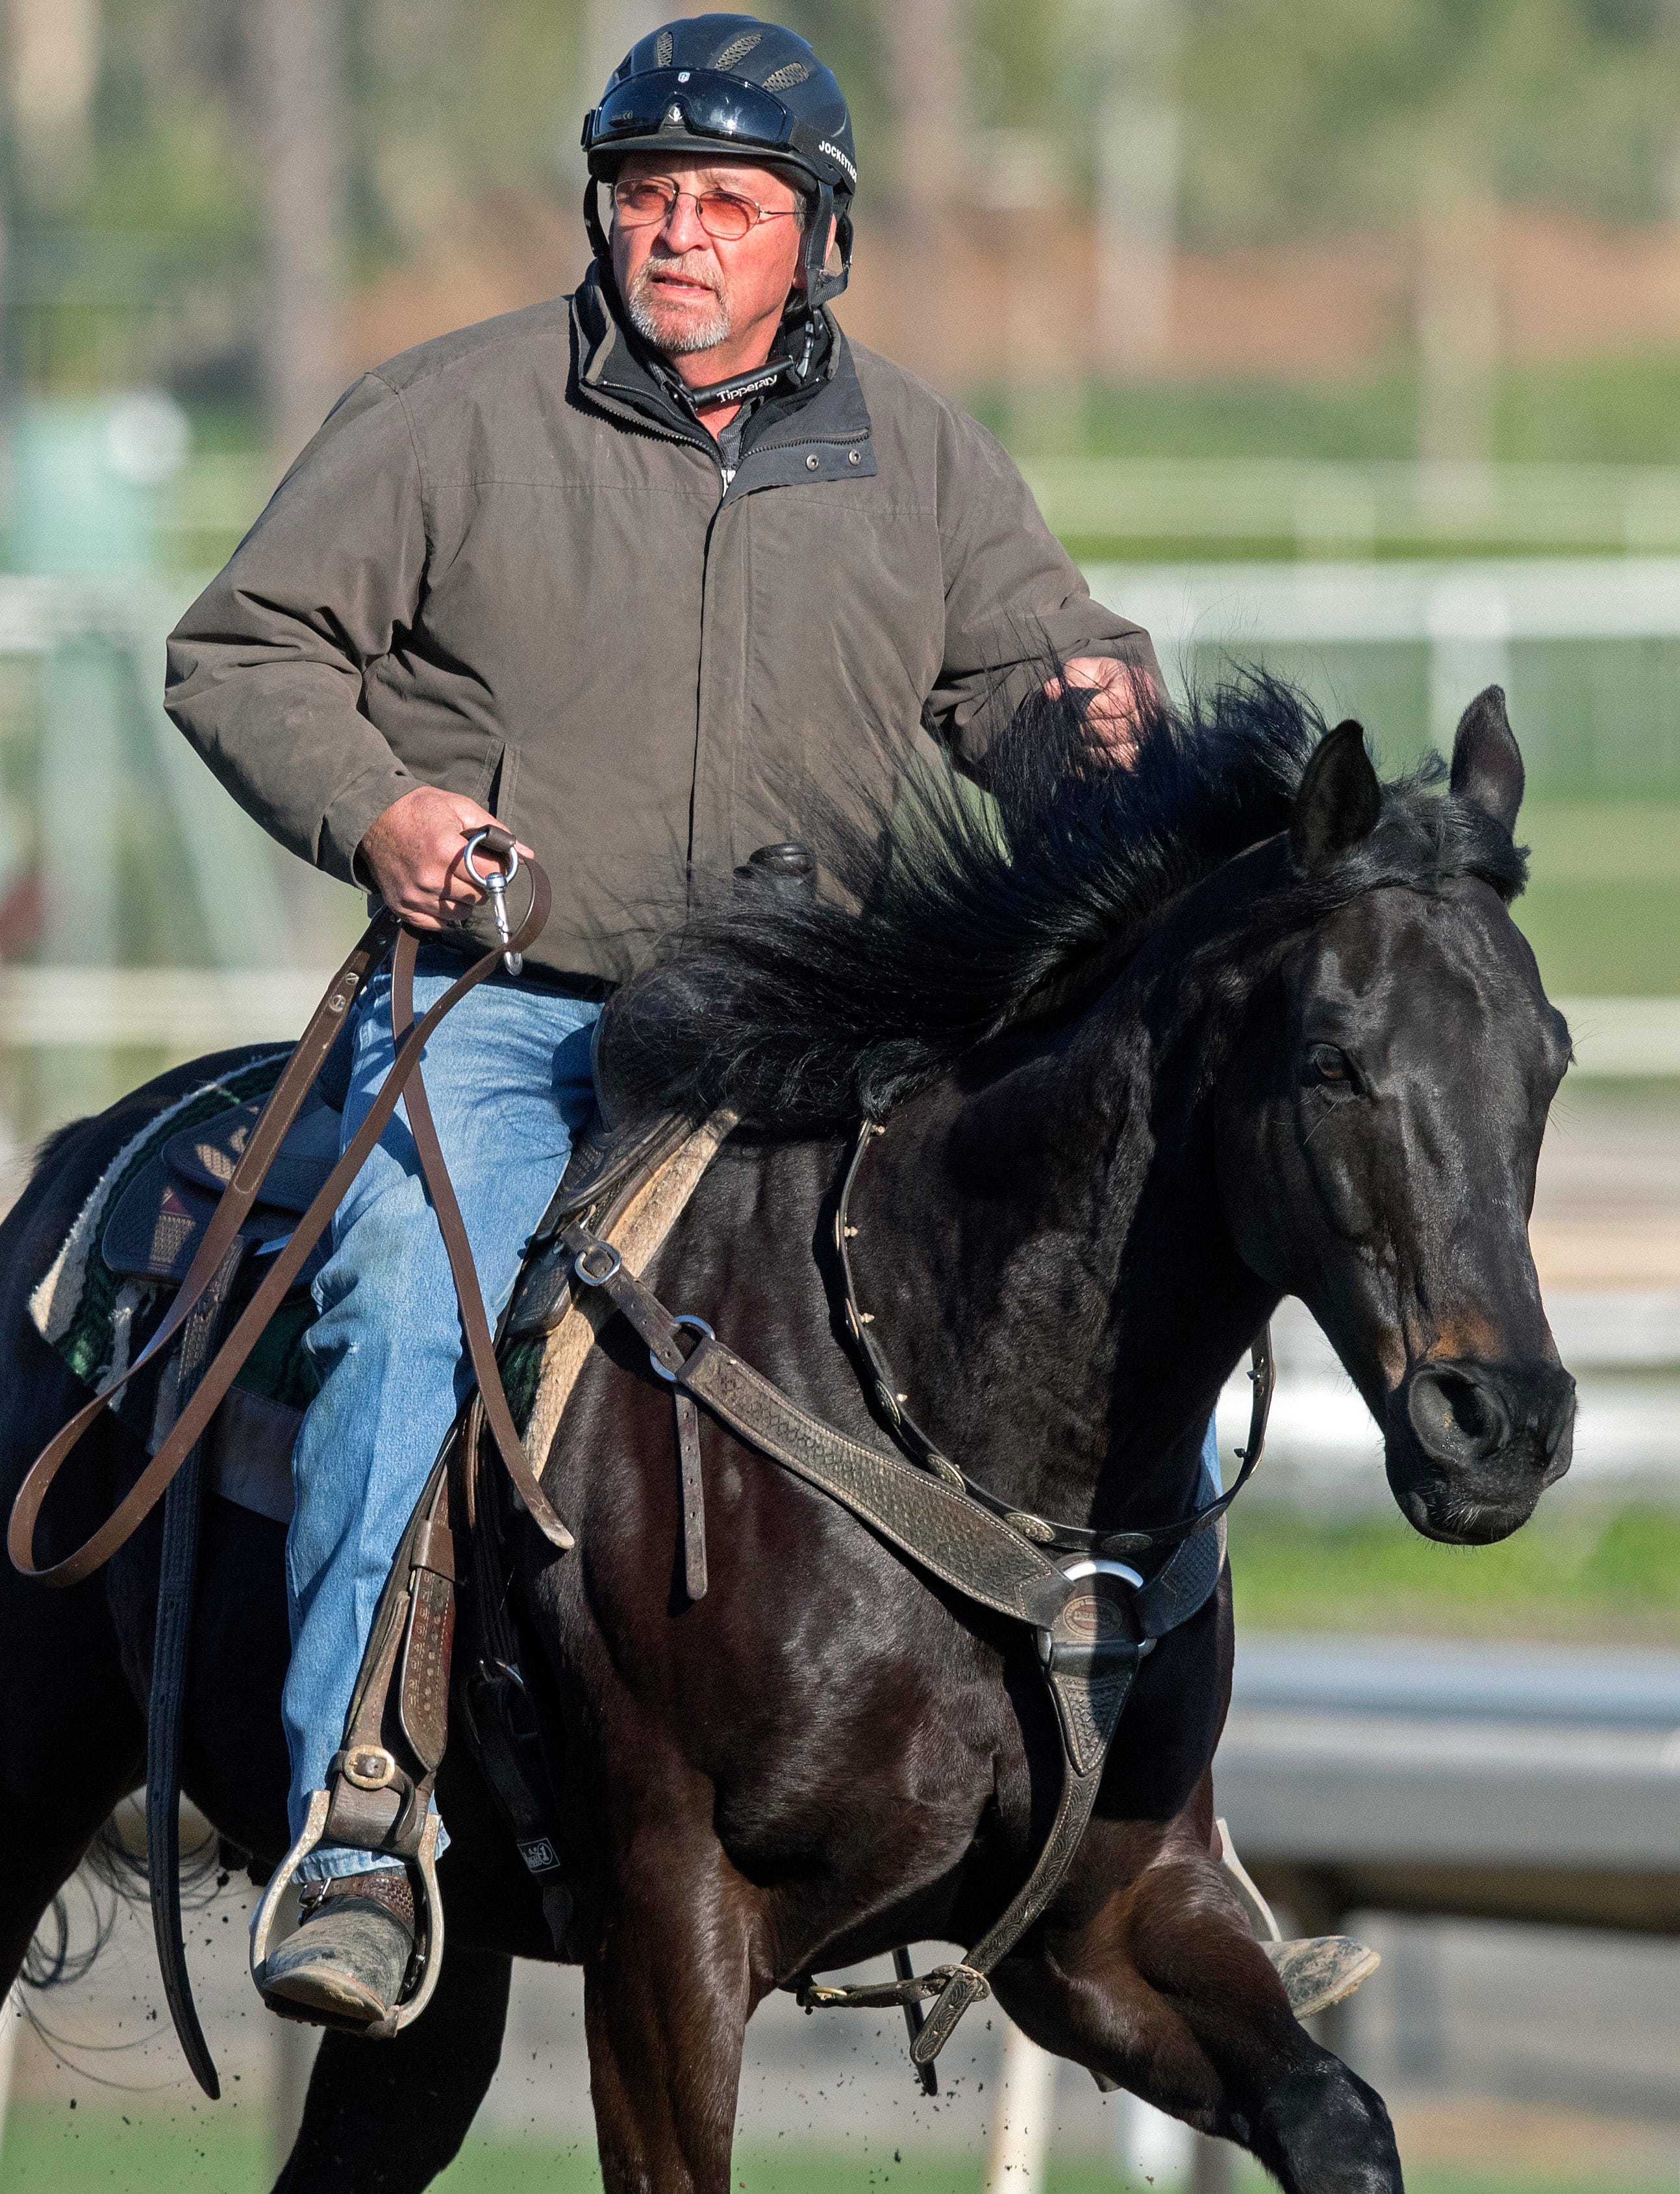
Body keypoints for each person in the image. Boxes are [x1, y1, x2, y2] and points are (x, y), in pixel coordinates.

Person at [164, 13, 1160, 2027]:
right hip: (503, 1011)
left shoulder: (920, 456)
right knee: (402, 1292)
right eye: (644, 194)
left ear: (817, 237)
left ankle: (1112, 1824)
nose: (677, 235)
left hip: (810, 1034)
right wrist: (388, 812)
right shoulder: (445, 411)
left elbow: (1042, 684)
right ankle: (359, 1814)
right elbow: (242, 648)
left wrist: (1096, 725)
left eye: (726, 202)